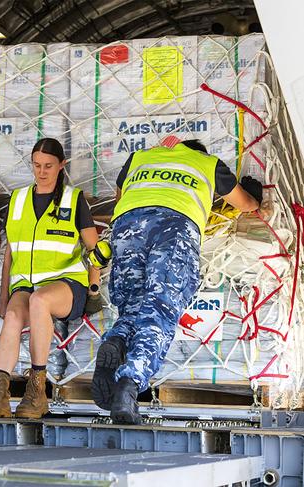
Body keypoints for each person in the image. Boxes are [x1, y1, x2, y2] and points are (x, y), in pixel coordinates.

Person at [92, 139, 263, 424]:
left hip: (127, 224)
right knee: (160, 308)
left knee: (132, 306)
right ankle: (130, 383)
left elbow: (120, 193)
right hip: (174, 228)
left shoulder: (141, 157)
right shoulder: (208, 164)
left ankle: (117, 341)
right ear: (201, 151)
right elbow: (244, 204)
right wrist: (254, 196)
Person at [0, 138, 102, 419]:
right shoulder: (18, 199)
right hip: (26, 283)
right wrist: (3, 297)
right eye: (36, 165)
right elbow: (10, 249)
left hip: (67, 284)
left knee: (39, 300)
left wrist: (94, 290)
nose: (42, 171)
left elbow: (95, 249)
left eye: (48, 166)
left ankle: (37, 389)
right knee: (12, 316)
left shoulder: (74, 199)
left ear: (62, 166)